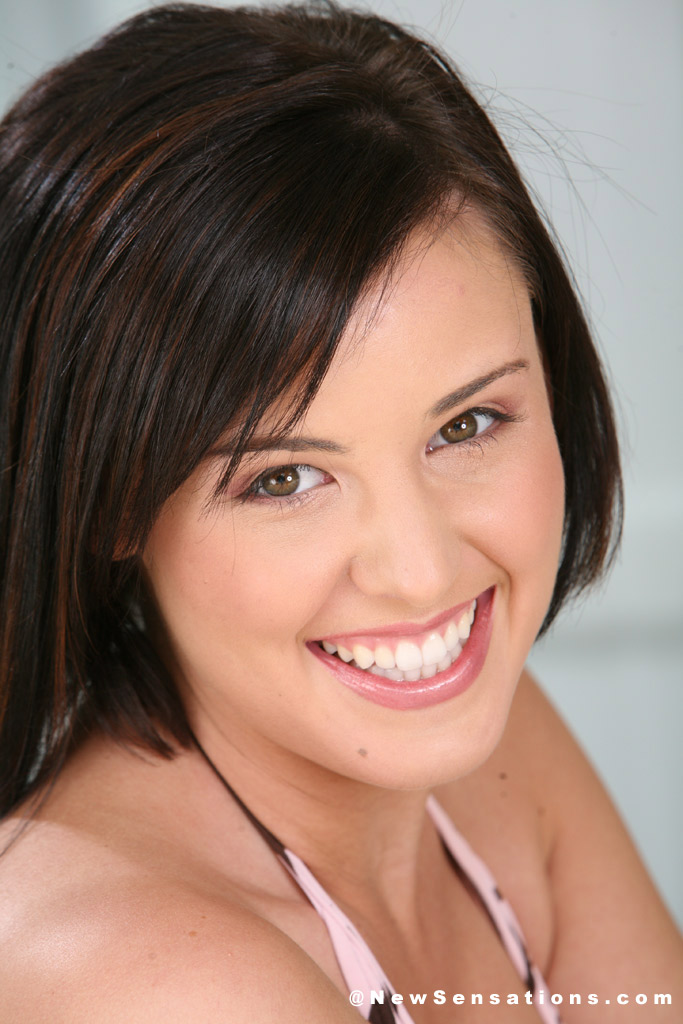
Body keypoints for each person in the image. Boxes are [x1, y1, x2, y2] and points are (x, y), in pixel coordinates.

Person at [0, 2, 680, 1021]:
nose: (420, 573)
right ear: (113, 503)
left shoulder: (497, 750)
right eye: (281, 479)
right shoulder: (156, 980)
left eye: (466, 424)